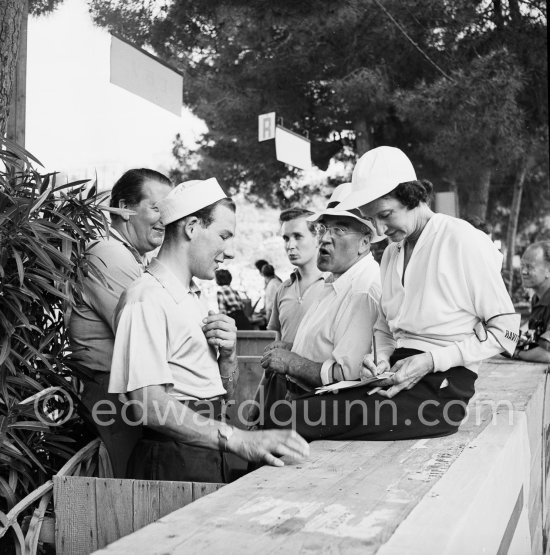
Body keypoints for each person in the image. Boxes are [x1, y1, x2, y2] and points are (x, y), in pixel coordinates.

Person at [266, 146, 519, 440]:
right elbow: (385, 327)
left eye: (386, 214)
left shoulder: (462, 240)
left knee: (289, 419)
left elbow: (507, 332)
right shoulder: (390, 253)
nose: (381, 229)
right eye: (372, 219)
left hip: (440, 390)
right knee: (285, 411)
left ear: (413, 196)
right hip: (395, 376)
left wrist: (431, 361)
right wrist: (382, 358)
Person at [108, 178, 309, 483]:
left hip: (205, 451)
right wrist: (239, 439)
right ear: (191, 227)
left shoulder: (197, 297)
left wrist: (227, 357)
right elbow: (149, 407)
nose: (229, 251)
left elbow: (223, 397)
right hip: (170, 462)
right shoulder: (146, 298)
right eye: (224, 235)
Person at [68, 168, 173, 477]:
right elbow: (148, 336)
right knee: (126, 490)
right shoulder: (111, 254)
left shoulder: (128, 255)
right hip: (110, 394)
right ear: (125, 209)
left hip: (118, 392)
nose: (165, 220)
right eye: (156, 208)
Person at [258, 183, 382, 408]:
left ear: (364, 242)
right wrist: (293, 349)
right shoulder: (335, 281)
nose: (324, 239)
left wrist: (292, 363)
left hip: (322, 414)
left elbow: (347, 375)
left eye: (339, 230)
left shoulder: (362, 290)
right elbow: (328, 346)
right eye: (324, 228)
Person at [268, 207, 328, 344]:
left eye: (298, 236)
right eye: (286, 238)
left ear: (318, 238)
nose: (290, 245)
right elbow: (276, 340)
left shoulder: (334, 286)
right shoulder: (283, 289)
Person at [513, 241, 550, 362]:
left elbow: (547, 354)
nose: (523, 272)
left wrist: (517, 353)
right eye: (522, 266)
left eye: (529, 267)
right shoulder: (537, 299)